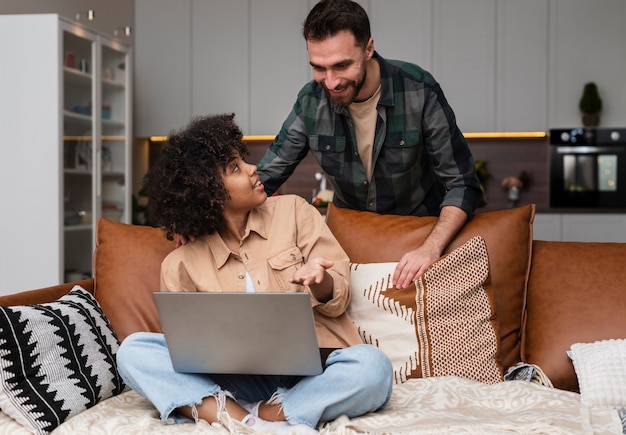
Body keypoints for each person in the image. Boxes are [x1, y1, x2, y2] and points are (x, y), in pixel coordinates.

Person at [116, 114, 393, 434]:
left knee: (374, 367)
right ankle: (243, 415)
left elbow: (338, 300)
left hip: (314, 372)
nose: (252, 169)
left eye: (243, 161)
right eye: (235, 168)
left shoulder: (294, 211)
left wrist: (322, 281)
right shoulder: (180, 264)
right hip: (234, 380)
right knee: (133, 351)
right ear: (210, 193)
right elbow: (185, 351)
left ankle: (265, 415)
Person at [256, 0, 483, 290]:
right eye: (318, 68)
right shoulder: (311, 101)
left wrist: (430, 248)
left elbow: (462, 184)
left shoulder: (418, 90)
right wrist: (199, 219)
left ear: (368, 48)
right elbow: (265, 178)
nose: (331, 82)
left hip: (417, 239)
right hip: (349, 246)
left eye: (342, 65)